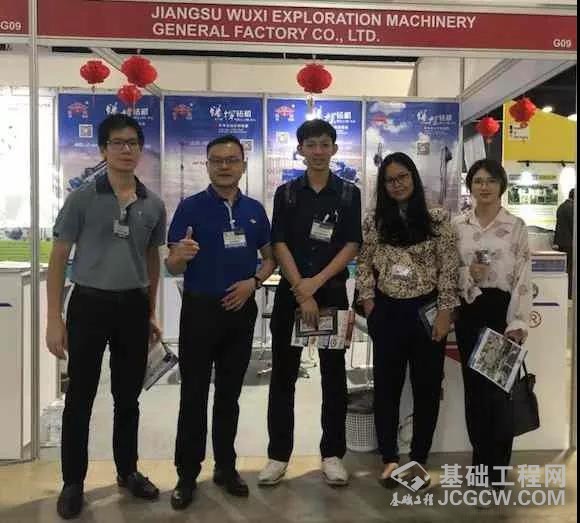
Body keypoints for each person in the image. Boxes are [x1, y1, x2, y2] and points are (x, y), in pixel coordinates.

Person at [46, 114, 166, 519]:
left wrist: (151, 311)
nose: (126, 150)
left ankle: (127, 471)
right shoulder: (82, 198)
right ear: (103, 150)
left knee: (128, 397)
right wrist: (54, 318)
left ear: (140, 149)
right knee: (79, 396)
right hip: (89, 305)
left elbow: (152, 259)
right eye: (117, 143)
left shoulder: (153, 203)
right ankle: (73, 482)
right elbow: (59, 256)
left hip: (133, 307)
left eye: (133, 143)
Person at [166, 134, 276, 510]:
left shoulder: (255, 210)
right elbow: (172, 264)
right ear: (208, 165)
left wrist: (253, 283)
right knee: (193, 395)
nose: (225, 166)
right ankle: (186, 474)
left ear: (243, 165)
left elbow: (270, 258)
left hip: (240, 312)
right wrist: (179, 255)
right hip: (200, 312)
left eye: (232, 160)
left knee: (229, 396)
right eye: (217, 160)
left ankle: (226, 468)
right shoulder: (190, 208)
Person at [259, 119, 362, 487]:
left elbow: (352, 243)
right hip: (292, 294)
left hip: (330, 292)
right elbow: (279, 243)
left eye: (324, 144)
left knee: (334, 377)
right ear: (300, 149)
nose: (318, 151)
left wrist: (314, 286)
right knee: (283, 378)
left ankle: (332, 455)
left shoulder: (349, 193)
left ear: (334, 149)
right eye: (311, 145)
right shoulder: (286, 194)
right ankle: (277, 456)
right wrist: (300, 289)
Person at [355, 152, 459, 489]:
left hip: (427, 313)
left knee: (427, 389)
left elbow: (449, 268)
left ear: (413, 178)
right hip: (387, 312)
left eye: (402, 177)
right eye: (390, 180)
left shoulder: (437, 219)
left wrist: (445, 311)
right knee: (387, 389)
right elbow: (364, 264)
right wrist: (369, 303)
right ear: (383, 186)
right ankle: (389, 458)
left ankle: (418, 460)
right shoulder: (375, 221)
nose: (397, 184)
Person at [453, 159, 532, 500]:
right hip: (470, 310)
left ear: (501, 186)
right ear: (470, 185)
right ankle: (480, 463)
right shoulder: (458, 225)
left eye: (490, 181)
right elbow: (449, 269)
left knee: (498, 393)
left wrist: (518, 322)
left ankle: (497, 468)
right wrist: (468, 276)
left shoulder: (515, 226)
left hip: (501, 313)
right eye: (478, 181)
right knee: (475, 393)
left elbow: (524, 276)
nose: (483, 187)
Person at [554, 188, 574, 298]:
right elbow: (573, 227)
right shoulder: (572, 208)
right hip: (570, 244)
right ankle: (569, 293)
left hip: (561, 243)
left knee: (563, 269)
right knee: (570, 269)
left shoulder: (561, 206)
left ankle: (562, 291)